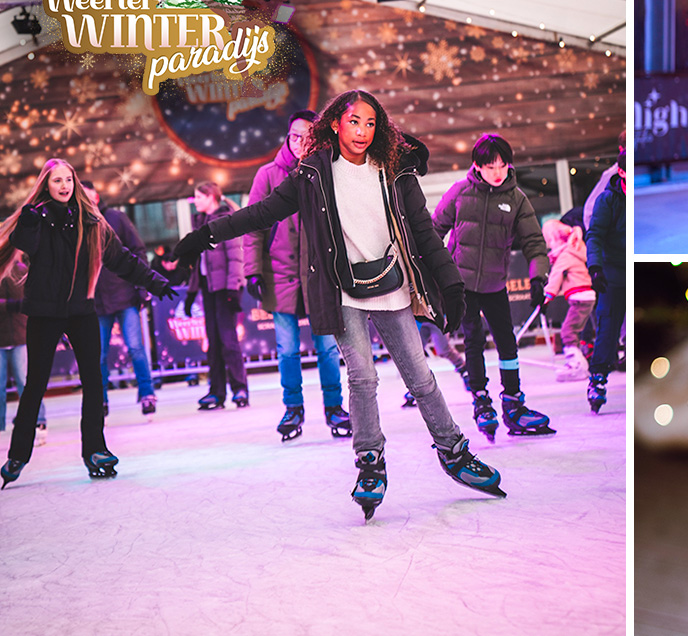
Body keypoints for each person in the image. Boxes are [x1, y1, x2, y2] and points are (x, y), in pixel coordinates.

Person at [174, 89, 504, 520]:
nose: (362, 131)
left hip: (393, 283)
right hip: (343, 289)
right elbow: (261, 213)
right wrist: (205, 235)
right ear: (334, 123)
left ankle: (454, 452)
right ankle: (370, 462)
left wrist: (452, 285)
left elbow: (424, 232)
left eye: (370, 123)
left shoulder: (395, 169)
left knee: (420, 376)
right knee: (362, 378)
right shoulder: (313, 174)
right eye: (354, 122)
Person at [0, 159, 175, 488]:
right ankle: (18, 454)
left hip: (81, 310)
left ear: (75, 183)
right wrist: (27, 220)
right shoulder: (37, 217)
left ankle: (95, 450)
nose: (64, 186)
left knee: (94, 380)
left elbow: (121, 259)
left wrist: (155, 281)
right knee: (35, 383)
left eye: (68, 180)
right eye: (57, 181)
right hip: (44, 312)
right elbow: (25, 246)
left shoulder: (91, 221)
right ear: (46, 185)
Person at [433, 133, 553, 443]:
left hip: (495, 283)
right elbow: (434, 230)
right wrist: (437, 271)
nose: (497, 172)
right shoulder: (460, 193)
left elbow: (534, 242)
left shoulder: (516, 199)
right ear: (477, 166)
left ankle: (513, 402)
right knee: (473, 339)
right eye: (490, 166)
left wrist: (539, 277)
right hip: (462, 284)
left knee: (507, 342)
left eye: (502, 165)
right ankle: (481, 398)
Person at [244, 110, 350, 442]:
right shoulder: (268, 175)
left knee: (329, 348)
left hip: (322, 275)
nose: (301, 143)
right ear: (286, 138)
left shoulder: (331, 171)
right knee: (287, 348)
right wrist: (252, 269)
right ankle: (293, 408)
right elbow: (252, 225)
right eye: (294, 136)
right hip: (282, 273)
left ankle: (334, 407)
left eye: (307, 136)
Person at [81, 181, 158, 420]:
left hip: (124, 296)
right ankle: (100, 400)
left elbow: (138, 250)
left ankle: (147, 394)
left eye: (87, 192)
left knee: (135, 347)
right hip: (97, 301)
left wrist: (142, 284)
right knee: (98, 354)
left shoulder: (115, 217)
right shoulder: (76, 224)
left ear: (96, 193)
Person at [187, 182, 250, 410]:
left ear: (211, 197)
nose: (195, 201)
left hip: (226, 288)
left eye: (198, 196)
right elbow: (198, 261)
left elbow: (235, 256)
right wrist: (192, 292)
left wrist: (234, 287)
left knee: (227, 339)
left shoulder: (225, 220)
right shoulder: (200, 222)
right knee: (212, 341)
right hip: (209, 288)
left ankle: (240, 388)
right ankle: (216, 392)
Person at [585, 152, 625, 414]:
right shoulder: (607, 200)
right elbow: (595, 235)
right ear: (621, 174)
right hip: (613, 272)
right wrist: (596, 268)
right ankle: (598, 378)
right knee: (608, 326)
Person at [541, 220, 595, 383]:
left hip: (580, 297)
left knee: (568, 331)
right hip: (585, 296)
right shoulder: (575, 250)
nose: (549, 246)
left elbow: (556, 277)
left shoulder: (565, 256)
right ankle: (579, 361)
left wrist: (547, 296)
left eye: (549, 241)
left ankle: (577, 365)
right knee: (574, 329)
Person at [0, 259, 39, 442]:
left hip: (20, 335)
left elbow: (28, 300)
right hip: (3, 337)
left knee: (26, 381)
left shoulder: (21, 270)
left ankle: (38, 420)